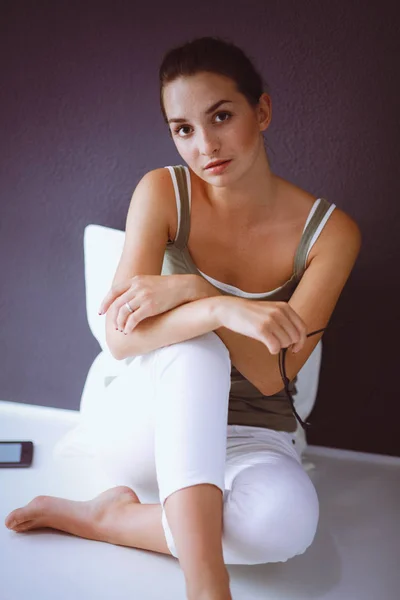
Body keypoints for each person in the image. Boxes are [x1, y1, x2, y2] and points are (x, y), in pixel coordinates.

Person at [5, 36, 361, 600]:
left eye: (221, 116)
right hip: (147, 425)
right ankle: (206, 586)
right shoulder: (164, 192)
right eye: (184, 128)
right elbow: (121, 341)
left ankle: (108, 519)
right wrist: (217, 306)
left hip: (252, 434)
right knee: (199, 348)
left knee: (285, 526)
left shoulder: (331, 233)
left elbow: (274, 374)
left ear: (261, 111)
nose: (205, 145)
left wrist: (193, 289)